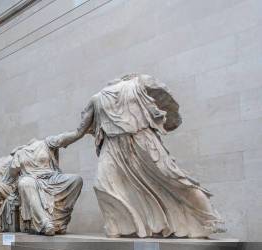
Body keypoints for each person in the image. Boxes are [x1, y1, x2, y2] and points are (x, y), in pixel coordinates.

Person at [55, 73, 224, 238]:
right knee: (103, 186)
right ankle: (119, 227)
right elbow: (167, 101)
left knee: (171, 178)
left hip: (141, 139)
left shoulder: (138, 84)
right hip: (113, 146)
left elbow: (79, 132)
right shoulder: (100, 97)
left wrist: (59, 141)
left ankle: (209, 219)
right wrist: (56, 142)